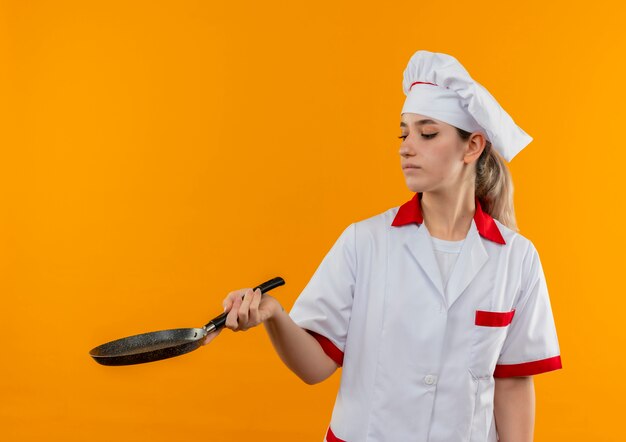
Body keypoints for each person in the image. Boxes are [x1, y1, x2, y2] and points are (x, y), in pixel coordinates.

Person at [203, 50, 562, 442]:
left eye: (427, 134)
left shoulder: (516, 258)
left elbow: (512, 384)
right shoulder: (365, 243)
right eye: (403, 133)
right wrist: (274, 315)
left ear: (472, 147)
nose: (406, 147)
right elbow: (316, 366)